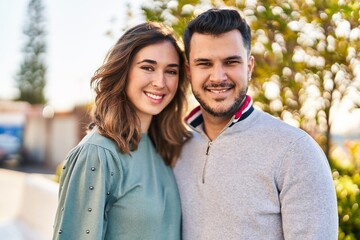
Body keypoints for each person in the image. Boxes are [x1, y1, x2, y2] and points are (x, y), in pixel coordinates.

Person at [174, 8, 338, 239]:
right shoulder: (174, 145)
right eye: (205, 64)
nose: (218, 77)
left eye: (231, 62)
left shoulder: (295, 151)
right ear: (189, 71)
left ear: (249, 67)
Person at [52, 22, 191, 240]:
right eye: (148, 67)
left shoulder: (161, 148)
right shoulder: (97, 154)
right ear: (124, 70)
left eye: (171, 71)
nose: (160, 82)